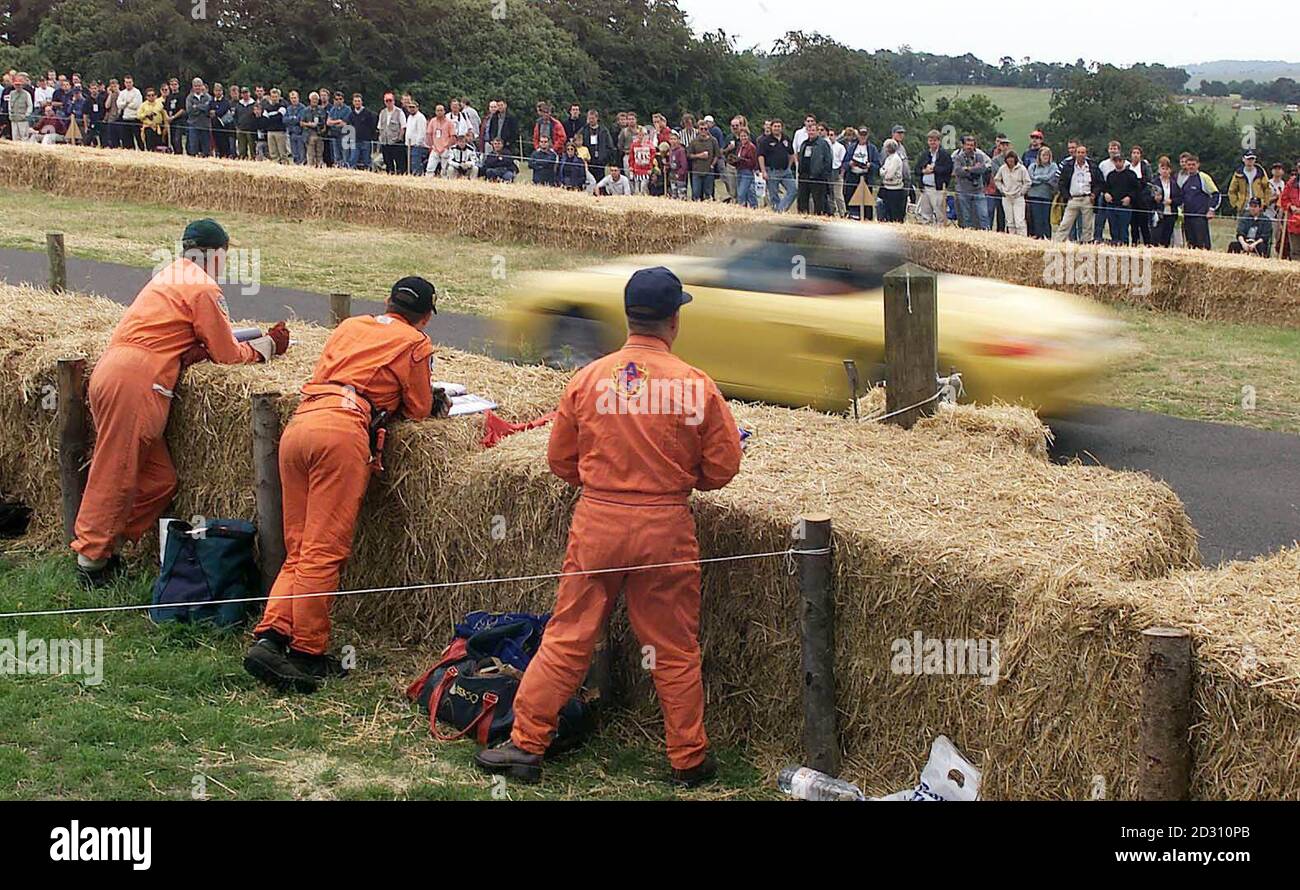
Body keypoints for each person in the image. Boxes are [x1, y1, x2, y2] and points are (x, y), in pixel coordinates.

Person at [474, 266, 742, 786]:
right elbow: (723, 469)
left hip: (598, 523)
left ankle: (526, 745)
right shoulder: (695, 385)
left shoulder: (588, 378)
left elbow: (560, 460)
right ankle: (689, 759)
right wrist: (677, 478)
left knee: (568, 636)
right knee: (674, 648)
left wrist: (604, 483)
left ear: (628, 316)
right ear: (674, 320)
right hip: (665, 527)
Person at [71, 219, 289, 586]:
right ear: (218, 254)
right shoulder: (203, 287)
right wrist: (266, 347)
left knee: (159, 479)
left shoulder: (170, 275)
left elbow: (176, 334)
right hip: (137, 380)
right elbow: (228, 354)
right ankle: (91, 561)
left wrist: (195, 349)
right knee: (116, 470)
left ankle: (109, 545)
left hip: (117, 369)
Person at [245, 277, 437, 692]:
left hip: (300, 425)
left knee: (299, 547)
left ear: (386, 302)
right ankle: (306, 653)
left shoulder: (350, 326)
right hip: (342, 431)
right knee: (323, 551)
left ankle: (273, 634)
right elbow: (420, 409)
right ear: (425, 316)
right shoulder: (416, 343)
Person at [1054, 142, 1104, 242]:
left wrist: (1094, 193)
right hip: (1073, 199)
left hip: (1087, 198)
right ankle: (1058, 243)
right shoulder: (1068, 166)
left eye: (1083, 152)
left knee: (1087, 226)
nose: (1081, 154)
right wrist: (1066, 196)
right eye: (1079, 152)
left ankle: (1085, 245)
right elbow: (1062, 183)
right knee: (1065, 223)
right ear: (1076, 153)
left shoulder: (1092, 166)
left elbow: (1100, 182)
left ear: (1086, 154)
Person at [914, 129, 953, 226]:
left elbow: (948, 169)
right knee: (925, 216)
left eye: (935, 140)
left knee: (940, 216)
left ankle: (940, 236)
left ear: (939, 141)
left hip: (938, 189)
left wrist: (934, 169)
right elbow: (916, 170)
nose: (932, 143)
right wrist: (924, 171)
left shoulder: (944, 155)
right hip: (925, 189)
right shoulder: (924, 155)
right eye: (930, 140)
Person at [1180, 155, 1219, 249]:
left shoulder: (1203, 177)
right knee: (1190, 245)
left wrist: (1211, 209)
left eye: (1193, 164)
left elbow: (1216, 194)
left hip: (1200, 217)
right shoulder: (1183, 179)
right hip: (1187, 217)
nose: (1191, 167)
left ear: (1198, 165)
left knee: (1203, 245)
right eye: (1189, 165)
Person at [756, 119, 795, 212]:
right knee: (773, 195)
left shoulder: (786, 138)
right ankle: (777, 213)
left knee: (793, 190)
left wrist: (789, 167)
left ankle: (780, 210)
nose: (777, 128)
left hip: (786, 171)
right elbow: (760, 156)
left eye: (779, 126)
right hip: (772, 171)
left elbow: (791, 154)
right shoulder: (765, 141)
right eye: (775, 126)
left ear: (782, 128)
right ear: (771, 127)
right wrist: (763, 171)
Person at [953, 135, 991, 230]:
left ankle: (987, 233)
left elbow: (982, 169)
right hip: (963, 190)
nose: (969, 147)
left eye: (971, 145)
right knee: (966, 217)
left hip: (978, 190)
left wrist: (967, 169)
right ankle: (969, 235)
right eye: (967, 145)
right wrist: (974, 169)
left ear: (975, 146)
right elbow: (958, 171)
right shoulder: (958, 157)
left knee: (983, 215)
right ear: (964, 146)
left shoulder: (979, 156)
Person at [1102, 154, 1140, 245]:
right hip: (1112, 206)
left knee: (1124, 230)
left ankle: (1125, 248)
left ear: (1123, 162)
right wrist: (1106, 194)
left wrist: (1130, 197)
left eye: (1120, 161)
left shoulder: (1131, 175)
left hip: (1125, 207)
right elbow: (1106, 188)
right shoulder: (1110, 175)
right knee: (1113, 229)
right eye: (1116, 161)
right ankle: (1115, 246)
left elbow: (1136, 189)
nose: (1118, 163)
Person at [796, 123, 831, 215]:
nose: (811, 132)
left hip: (817, 177)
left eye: (813, 130)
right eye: (809, 130)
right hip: (804, 175)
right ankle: (803, 215)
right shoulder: (804, 143)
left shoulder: (823, 144)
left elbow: (828, 160)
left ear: (817, 132)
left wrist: (823, 174)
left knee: (818, 201)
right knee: (802, 199)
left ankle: (818, 216)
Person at [994, 150, 1031, 236]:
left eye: (1012, 161)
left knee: (1019, 221)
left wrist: (1021, 192)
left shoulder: (1021, 169)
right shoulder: (1003, 168)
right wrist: (1002, 190)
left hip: (1018, 198)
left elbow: (1028, 182)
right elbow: (997, 180)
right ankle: (1012, 238)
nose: (1010, 163)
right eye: (1008, 160)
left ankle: (1022, 238)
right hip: (1006, 197)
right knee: (1010, 221)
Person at [1026, 147, 1059, 238]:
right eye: (1043, 155)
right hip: (1033, 196)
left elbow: (1050, 177)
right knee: (1036, 219)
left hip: (1046, 196)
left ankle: (1047, 237)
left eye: (1047, 155)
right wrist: (1042, 179)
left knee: (1045, 218)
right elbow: (1030, 179)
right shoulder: (1033, 166)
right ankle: (1037, 237)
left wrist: (1037, 178)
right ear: (1039, 156)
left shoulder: (1053, 166)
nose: (1045, 157)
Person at [1152, 156, 1183, 247]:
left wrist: (1172, 201)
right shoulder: (1154, 182)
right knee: (1156, 237)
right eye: (1162, 168)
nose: (1165, 171)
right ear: (1159, 170)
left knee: (1167, 238)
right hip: (1158, 214)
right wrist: (1155, 199)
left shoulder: (1174, 183)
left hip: (1171, 214)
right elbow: (1148, 198)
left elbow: (1180, 198)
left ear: (1170, 170)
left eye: (1167, 168)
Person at [1227, 151, 1270, 217]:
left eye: (1252, 159)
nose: (1250, 161)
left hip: (1259, 208)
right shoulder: (1238, 174)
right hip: (1243, 208)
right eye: (1248, 159)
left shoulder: (1260, 172)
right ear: (1243, 159)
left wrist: (1265, 204)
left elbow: (1267, 189)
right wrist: (1236, 205)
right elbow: (1232, 191)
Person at [1127, 145, 1155, 246]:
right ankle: (1135, 243)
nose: (1135, 155)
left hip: (1143, 199)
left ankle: (1148, 244)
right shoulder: (1128, 167)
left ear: (1141, 155)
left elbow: (1149, 181)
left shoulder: (1145, 166)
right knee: (1133, 225)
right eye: (1134, 153)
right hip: (1132, 200)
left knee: (1144, 225)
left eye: (1137, 153)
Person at [877, 138, 908, 222]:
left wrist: (884, 172)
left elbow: (889, 175)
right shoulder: (888, 159)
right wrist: (884, 172)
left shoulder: (896, 159)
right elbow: (881, 170)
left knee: (894, 212)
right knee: (887, 211)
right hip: (887, 188)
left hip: (895, 189)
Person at [687, 124, 719, 201]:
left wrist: (712, 165)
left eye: (706, 129)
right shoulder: (694, 141)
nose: (703, 131)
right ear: (698, 130)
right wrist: (699, 156)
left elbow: (717, 155)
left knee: (708, 193)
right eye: (701, 129)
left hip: (709, 170)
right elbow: (689, 155)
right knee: (696, 193)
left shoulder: (713, 141)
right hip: (697, 170)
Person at [376, 91, 406, 174]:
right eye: (387, 101)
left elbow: (403, 127)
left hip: (396, 143)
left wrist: (399, 139)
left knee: (399, 164)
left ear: (394, 101)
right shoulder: (382, 112)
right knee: (388, 164)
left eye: (390, 100)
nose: (388, 102)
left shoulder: (399, 112)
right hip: (385, 143)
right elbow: (379, 127)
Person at [349, 93, 377, 171]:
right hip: (355, 141)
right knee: (353, 160)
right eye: (355, 101)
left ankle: (368, 174)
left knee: (367, 161)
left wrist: (370, 136)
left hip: (366, 141)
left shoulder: (368, 113)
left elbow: (372, 126)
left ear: (361, 102)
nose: (357, 103)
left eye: (358, 101)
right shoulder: (351, 114)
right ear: (353, 102)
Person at [425, 104, 454, 178]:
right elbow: (429, 134)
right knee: (430, 168)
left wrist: (447, 147)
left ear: (444, 111)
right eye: (438, 110)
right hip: (435, 148)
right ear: (435, 112)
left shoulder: (449, 122)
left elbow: (453, 136)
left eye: (441, 110)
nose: (439, 112)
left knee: (445, 170)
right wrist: (432, 145)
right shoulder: (432, 121)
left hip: (445, 148)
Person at [185, 78, 212, 157]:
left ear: (202, 86)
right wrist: (202, 108)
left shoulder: (207, 97)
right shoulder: (189, 98)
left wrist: (197, 107)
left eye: (199, 86)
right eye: (195, 86)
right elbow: (190, 110)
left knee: (206, 148)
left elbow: (208, 108)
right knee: (193, 147)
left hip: (205, 125)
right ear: (193, 87)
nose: (197, 87)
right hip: (193, 125)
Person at [733, 128, 758, 208]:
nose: (743, 138)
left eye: (745, 136)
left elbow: (753, 162)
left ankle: (743, 207)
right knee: (749, 192)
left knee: (741, 193)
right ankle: (752, 207)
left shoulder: (751, 147)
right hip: (739, 170)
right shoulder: (740, 146)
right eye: (741, 136)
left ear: (748, 136)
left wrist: (742, 160)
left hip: (747, 171)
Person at [116, 75, 144, 150]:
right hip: (125, 118)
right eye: (126, 82)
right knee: (127, 139)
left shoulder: (137, 92)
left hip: (135, 118)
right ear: (124, 83)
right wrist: (126, 103)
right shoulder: (122, 93)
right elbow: (119, 104)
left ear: (133, 82)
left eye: (130, 82)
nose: (128, 84)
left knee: (138, 138)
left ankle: (142, 150)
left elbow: (136, 104)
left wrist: (125, 104)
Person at [1280, 162, 1300, 260]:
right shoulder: (1291, 183)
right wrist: (1290, 206)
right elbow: (1283, 199)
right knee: (1295, 251)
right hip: (1294, 222)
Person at [262, 88, 288, 163]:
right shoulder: (267, 107)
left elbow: (279, 117)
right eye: (272, 97)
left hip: (280, 132)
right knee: (273, 152)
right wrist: (274, 115)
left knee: (282, 152)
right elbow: (265, 119)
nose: (274, 98)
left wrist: (270, 116)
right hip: (270, 131)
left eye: (276, 97)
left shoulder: (283, 105)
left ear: (279, 97)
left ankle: (284, 164)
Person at [404, 99, 428, 175]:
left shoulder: (420, 117)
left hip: (417, 145)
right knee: (410, 164)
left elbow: (422, 132)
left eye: (413, 107)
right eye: (410, 107)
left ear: (417, 108)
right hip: (409, 145)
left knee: (416, 164)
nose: (411, 109)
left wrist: (418, 143)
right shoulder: (409, 117)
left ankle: (417, 176)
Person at [7, 75, 33, 143]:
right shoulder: (11, 93)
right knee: (15, 136)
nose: (17, 86)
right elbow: (9, 105)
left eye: (19, 85)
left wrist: (26, 115)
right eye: (16, 85)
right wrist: (10, 114)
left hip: (23, 119)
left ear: (22, 85)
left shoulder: (27, 94)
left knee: (24, 137)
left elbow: (30, 106)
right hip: (14, 118)